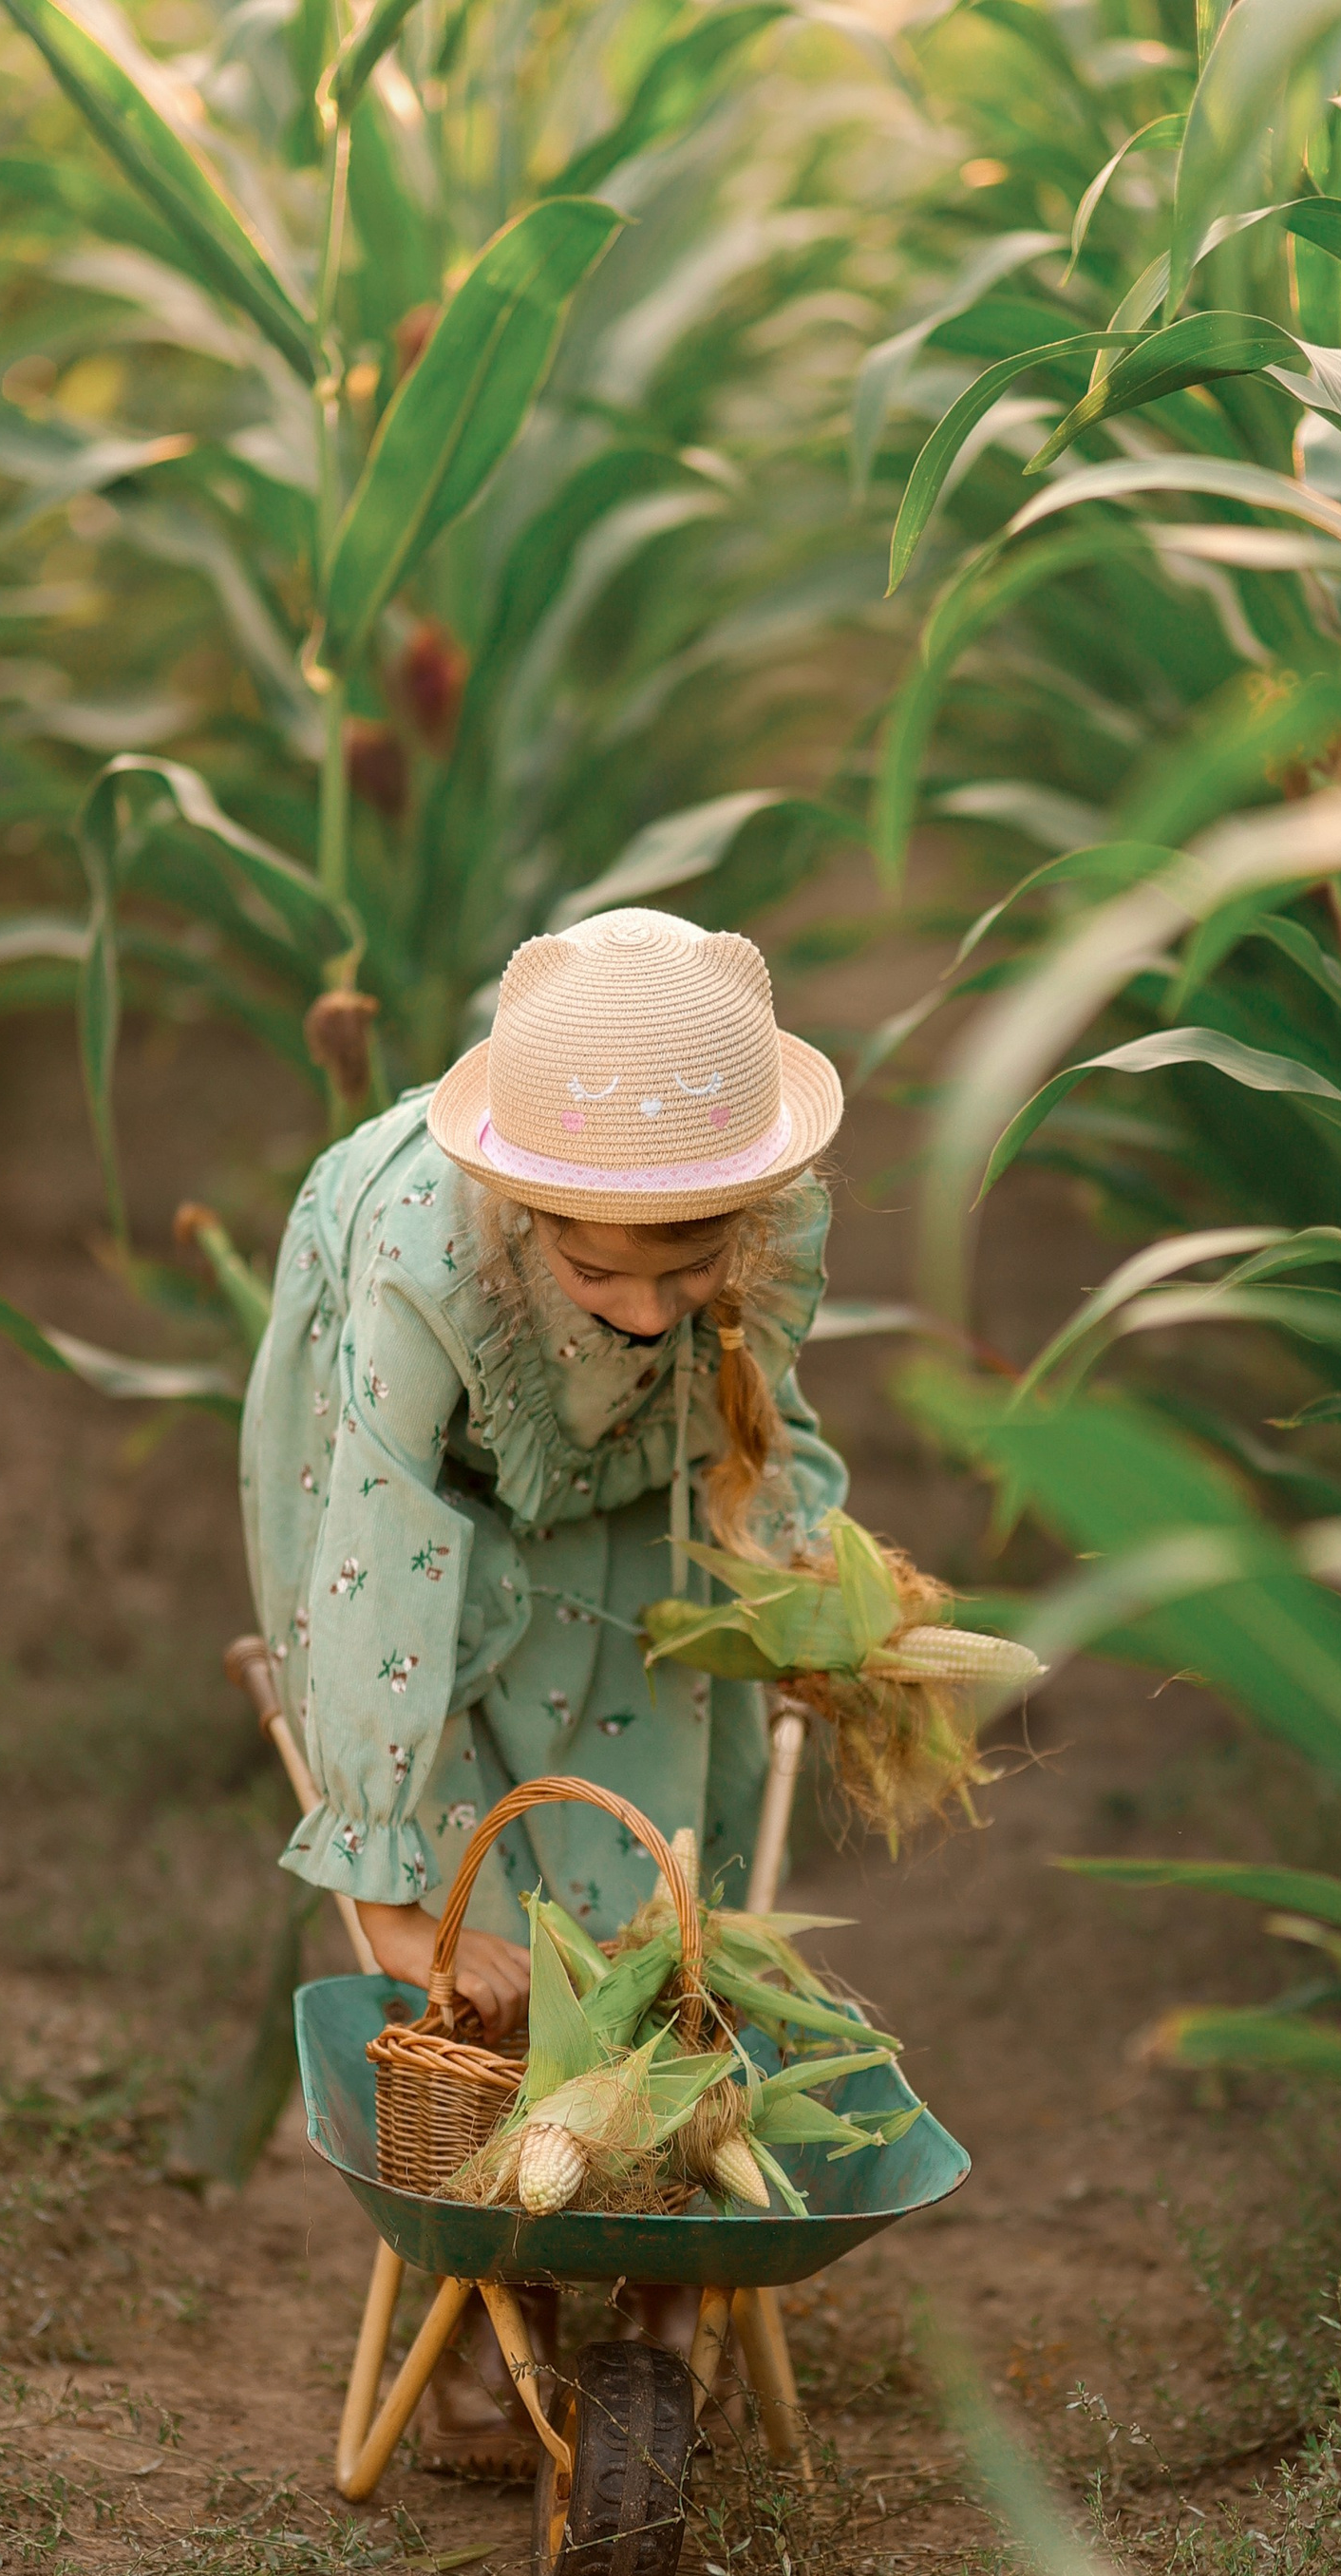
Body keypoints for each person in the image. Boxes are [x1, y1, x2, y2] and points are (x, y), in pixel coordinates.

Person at [240, 904, 845, 2471]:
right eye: (600, 1271)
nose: (646, 1310)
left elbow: (753, 1411)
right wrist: (391, 1889)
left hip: (631, 1500)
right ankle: (482, 2296)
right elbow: (374, 1558)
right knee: (481, 1923)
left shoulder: (762, 1229)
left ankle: (660, 2275)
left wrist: (803, 1584)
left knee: (658, 1874)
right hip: (413, 1534)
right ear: (521, 1211)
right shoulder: (424, 1256)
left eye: (688, 1268)